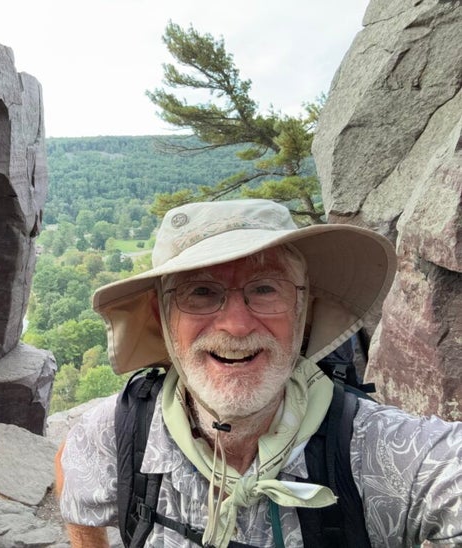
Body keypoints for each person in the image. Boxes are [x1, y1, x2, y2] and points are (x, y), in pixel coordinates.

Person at [55, 199, 462, 548]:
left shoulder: (380, 450)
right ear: (161, 319)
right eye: (200, 292)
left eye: (266, 288)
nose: (236, 325)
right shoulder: (117, 432)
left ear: (304, 314)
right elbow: (72, 472)